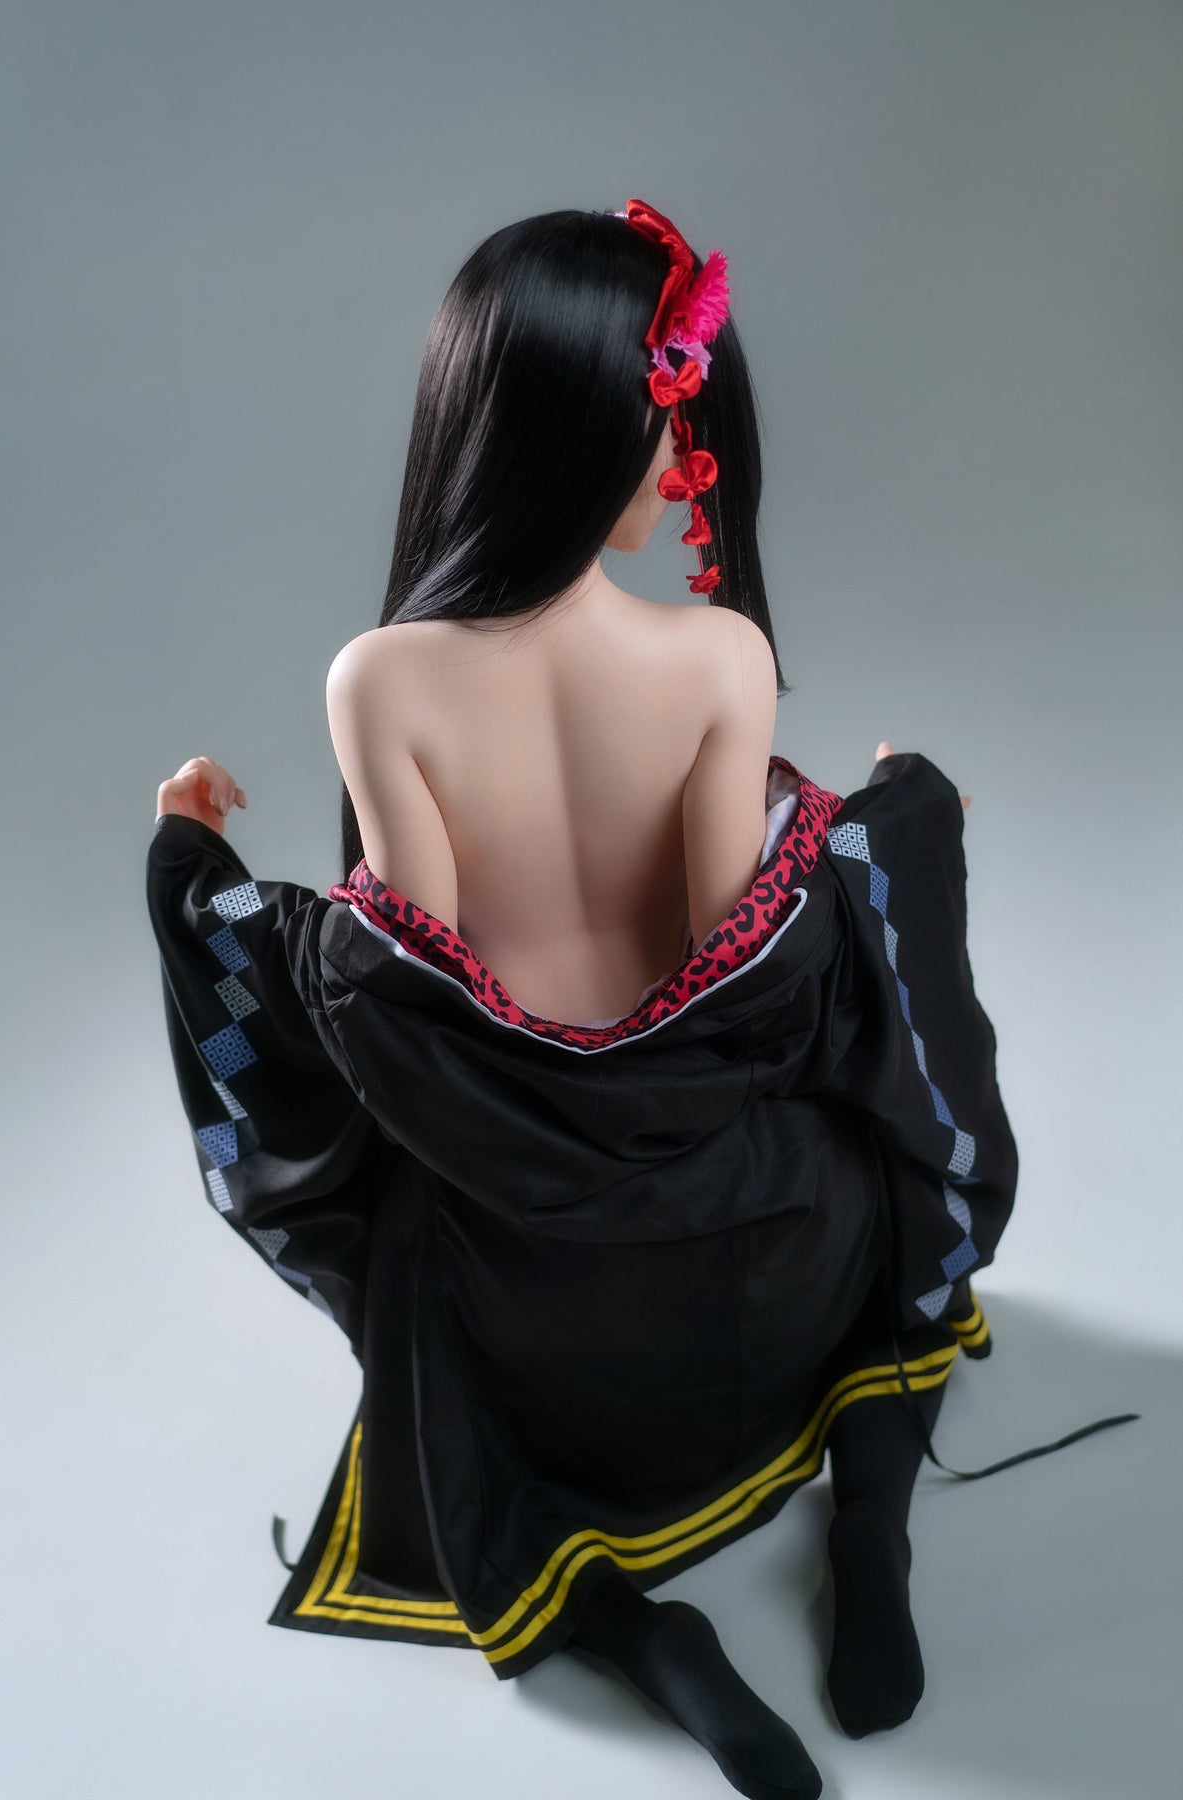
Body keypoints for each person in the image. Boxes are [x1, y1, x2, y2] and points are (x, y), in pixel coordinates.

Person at [147, 202, 1137, 1800]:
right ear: (598, 427)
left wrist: (192, 863)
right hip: (757, 1242)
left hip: (532, 1287)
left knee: (437, 1340)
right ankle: (869, 1531)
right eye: (674, 421)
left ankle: (641, 1638)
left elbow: (412, 991)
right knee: (886, 1233)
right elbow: (735, 965)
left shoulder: (377, 678)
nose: (686, 466)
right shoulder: (717, 658)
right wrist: (890, 824)